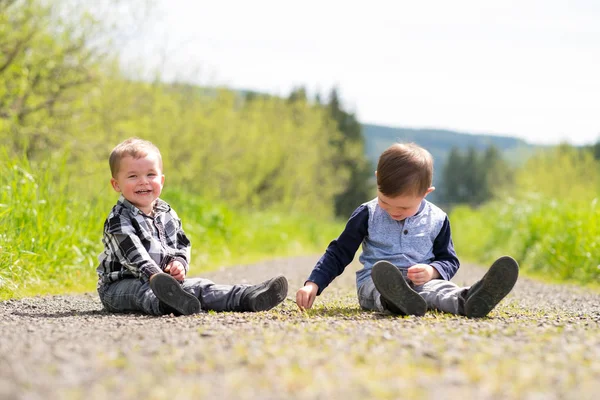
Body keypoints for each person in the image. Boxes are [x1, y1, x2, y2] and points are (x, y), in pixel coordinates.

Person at [296, 142, 519, 318]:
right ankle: (394, 301)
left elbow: (449, 260)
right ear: (377, 181)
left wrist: (431, 271)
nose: (393, 211)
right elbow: (338, 253)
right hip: (374, 283)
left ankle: (470, 299)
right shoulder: (367, 213)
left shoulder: (438, 219)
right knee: (379, 287)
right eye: (385, 202)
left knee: (438, 290)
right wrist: (313, 284)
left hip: (421, 284)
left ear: (426, 193)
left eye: (403, 207)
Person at [97, 137, 288, 316]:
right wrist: (155, 275)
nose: (143, 181)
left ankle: (247, 296)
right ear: (116, 184)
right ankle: (167, 303)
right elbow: (134, 256)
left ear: (161, 181)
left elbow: (181, 243)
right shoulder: (119, 219)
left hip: (163, 282)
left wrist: (178, 262)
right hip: (119, 287)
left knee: (200, 286)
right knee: (141, 291)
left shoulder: (166, 213)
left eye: (150, 174)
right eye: (133, 176)